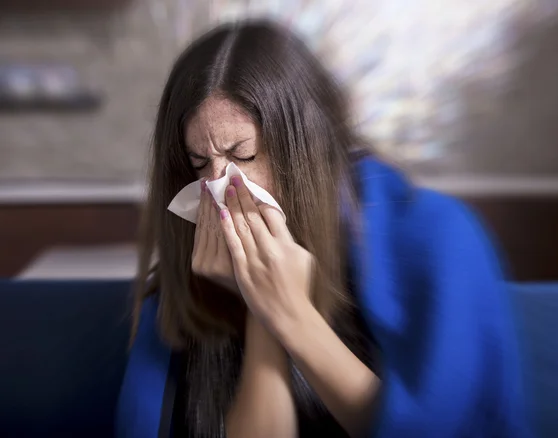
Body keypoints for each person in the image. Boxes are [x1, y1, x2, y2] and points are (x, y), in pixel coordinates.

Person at [117, 20, 530, 438]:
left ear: (308, 146)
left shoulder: (439, 239)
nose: (220, 186)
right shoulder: (198, 264)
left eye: (243, 154)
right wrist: (260, 306)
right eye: (199, 163)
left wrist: (290, 313)